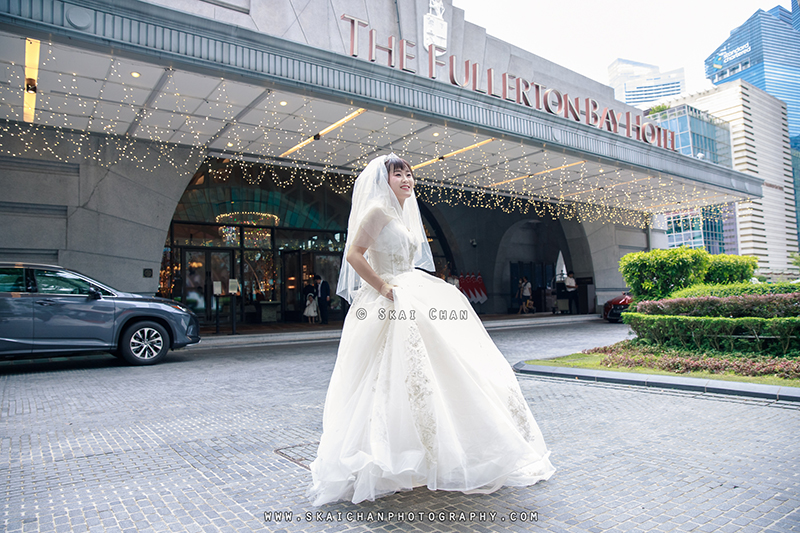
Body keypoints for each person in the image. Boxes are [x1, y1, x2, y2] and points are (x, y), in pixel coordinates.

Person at [306, 154, 555, 506]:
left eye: (409, 174)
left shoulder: (405, 214)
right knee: (387, 377)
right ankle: (383, 457)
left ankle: (431, 453)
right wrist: (384, 288)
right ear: (384, 180)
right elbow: (354, 255)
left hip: (413, 292)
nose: (407, 179)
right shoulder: (377, 210)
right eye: (399, 174)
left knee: (438, 369)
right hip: (389, 299)